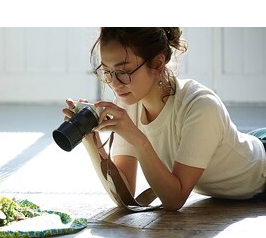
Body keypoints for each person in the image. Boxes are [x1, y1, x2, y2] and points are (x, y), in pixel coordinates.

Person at [62, 27, 266, 211]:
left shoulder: (201, 106)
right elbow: (125, 193)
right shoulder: (128, 102)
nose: (114, 83)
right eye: (107, 72)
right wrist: (91, 140)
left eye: (123, 71)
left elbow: (174, 199)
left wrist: (137, 138)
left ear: (158, 63)